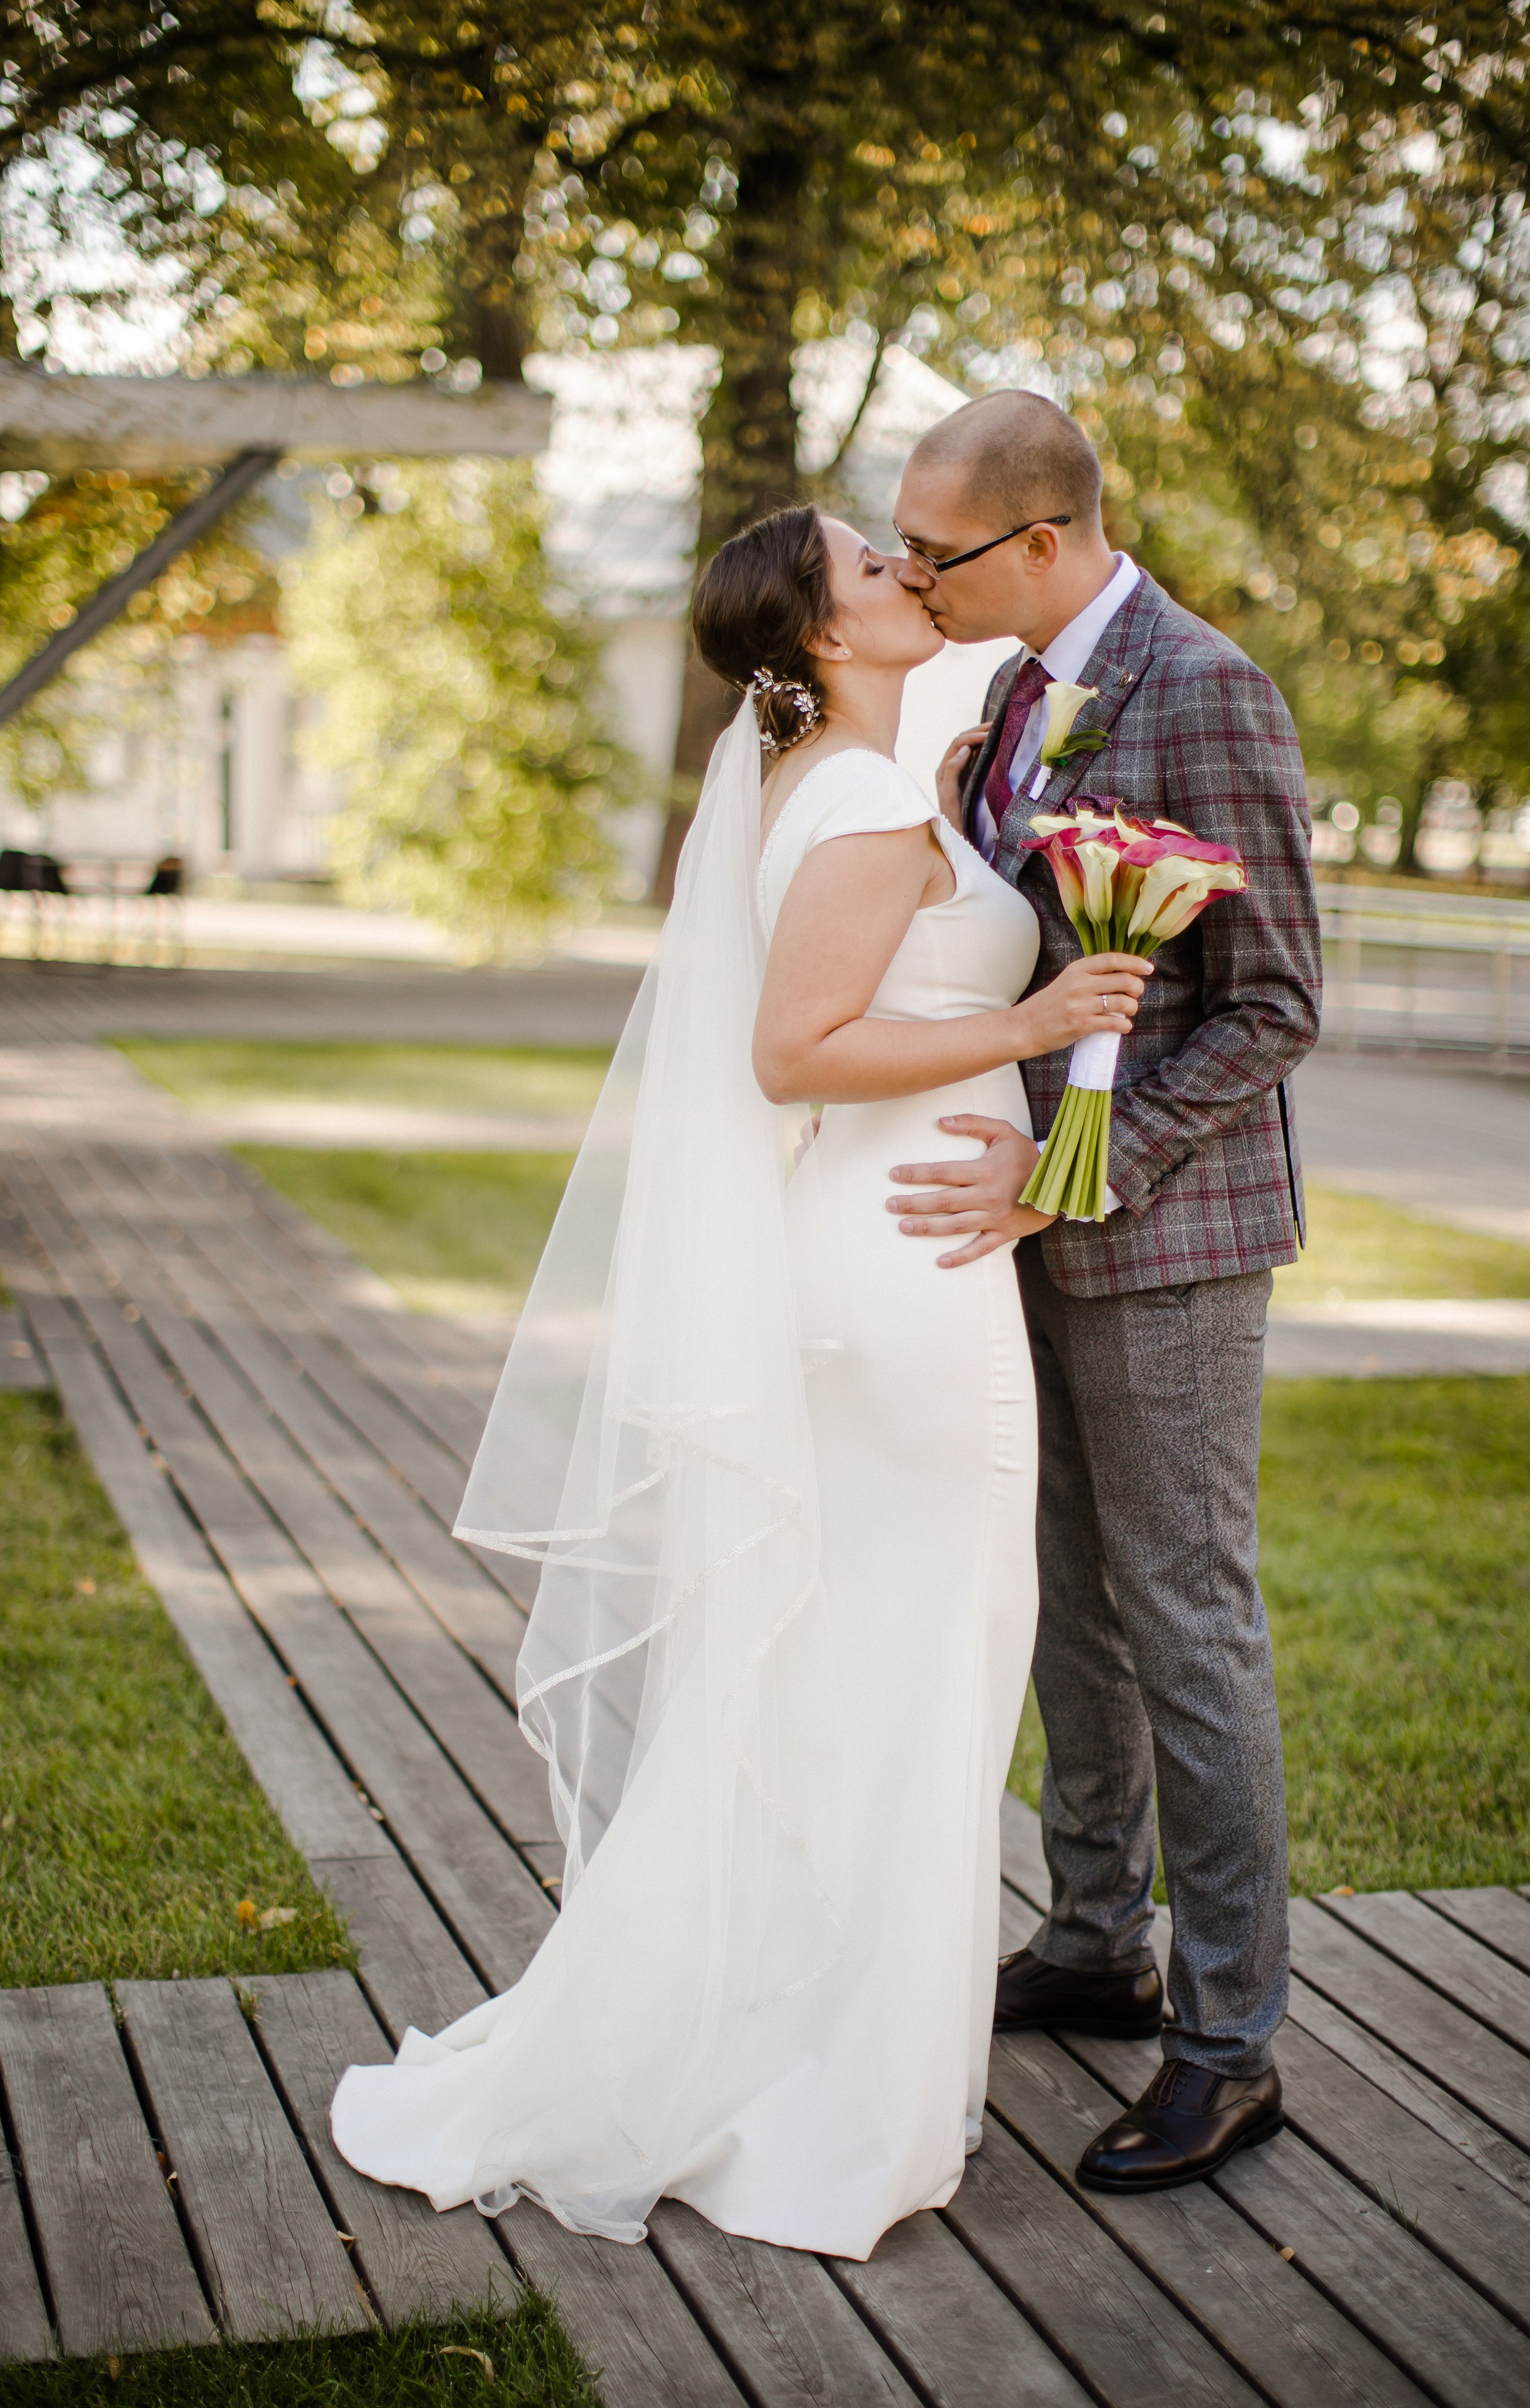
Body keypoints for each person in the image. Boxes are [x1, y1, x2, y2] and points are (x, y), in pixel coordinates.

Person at [329, 504, 1150, 2257]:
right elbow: (798, 1051)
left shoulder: (864, 777)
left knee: (871, 1662)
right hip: (903, 1280)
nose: (906, 575)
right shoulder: (852, 804)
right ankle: (841, 2087)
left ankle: (826, 2037)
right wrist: (1035, 1022)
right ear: (822, 634)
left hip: (902, 1263)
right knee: (928, 1660)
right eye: (874, 566)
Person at [889, 389, 1321, 2192]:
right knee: (1067, 1591)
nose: (911, 575)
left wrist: (1092, 1159)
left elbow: (1276, 1003)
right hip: (1023, 1235)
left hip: (1169, 1235)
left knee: (1185, 1619)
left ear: (1046, 539)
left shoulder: (1206, 686)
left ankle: (1231, 2044)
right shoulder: (1003, 696)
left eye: (938, 551)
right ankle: (1094, 1941)